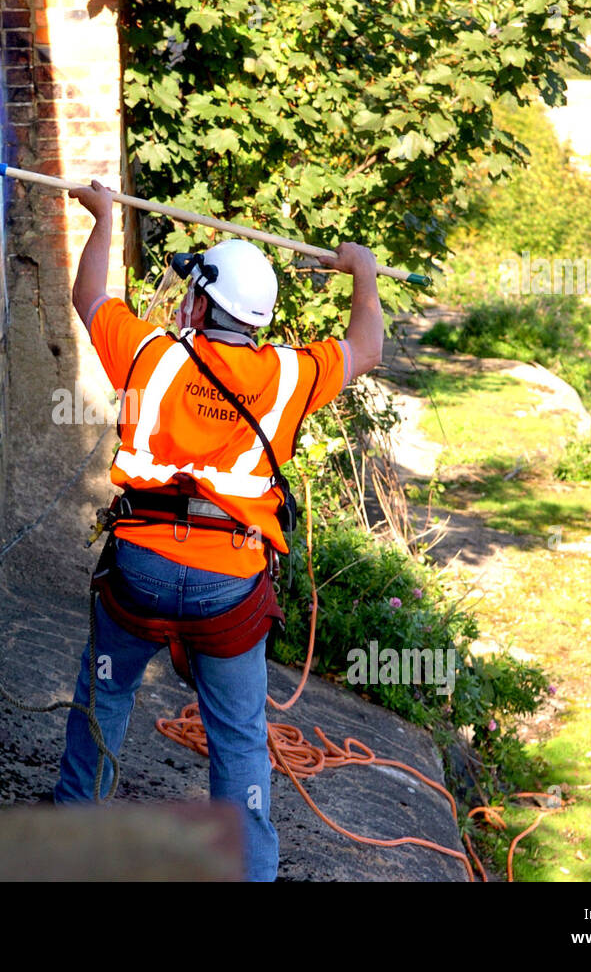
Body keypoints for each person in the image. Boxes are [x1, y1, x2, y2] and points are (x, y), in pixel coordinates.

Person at [53, 178, 384, 881]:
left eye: (190, 293)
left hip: (138, 573)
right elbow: (367, 346)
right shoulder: (290, 374)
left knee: (103, 697)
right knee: (238, 738)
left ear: (203, 302)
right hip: (228, 588)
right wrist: (364, 271)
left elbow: (88, 298)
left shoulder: (151, 353)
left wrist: (105, 217)